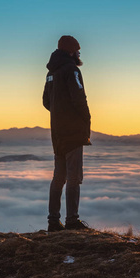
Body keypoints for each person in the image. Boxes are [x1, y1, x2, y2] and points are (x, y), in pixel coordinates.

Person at [43, 35, 92, 232]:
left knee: (58, 177)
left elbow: (46, 101)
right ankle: (72, 220)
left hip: (57, 132)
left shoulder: (51, 73)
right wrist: (85, 119)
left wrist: (59, 115)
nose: (79, 53)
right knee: (74, 177)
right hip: (73, 132)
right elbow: (79, 98)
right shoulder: (72, 70)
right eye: (78, 50)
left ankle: (53, 222)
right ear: (71, 51)